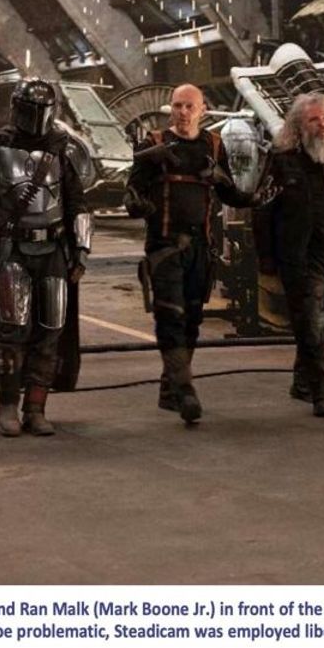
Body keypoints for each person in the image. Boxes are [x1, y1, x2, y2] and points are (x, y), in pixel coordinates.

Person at [0, 79, 93, 436]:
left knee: (51, 330)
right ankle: (8, 404)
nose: (36, 116)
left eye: (42, 109)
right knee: (12, 330)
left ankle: (36, 408)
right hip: (11, 250)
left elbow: (77, 204)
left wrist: (82, 249)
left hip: (54, 249)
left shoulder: (65, 148)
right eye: (30, 108)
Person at [124, 84, 253, 424]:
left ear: (202, 111)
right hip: (164, 249)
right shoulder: (153, 144)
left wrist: (252, 196)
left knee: (192, 320)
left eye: (189, 106)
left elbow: (229, 194)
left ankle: (170, 390)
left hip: (200, 251)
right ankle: (184, 392)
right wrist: (137, 203)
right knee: (171, 318)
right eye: (177, 105)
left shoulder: (214, 146)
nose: (182, 112)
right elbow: (132, 192)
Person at [252, 91, 324, 418]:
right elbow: (262, 210)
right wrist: (266, 259)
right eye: (313, 120)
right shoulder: (283, 160)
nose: (322, 125)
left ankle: (302, 382)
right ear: (299, 126)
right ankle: (323, 390)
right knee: (308, 324)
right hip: (302, 257)